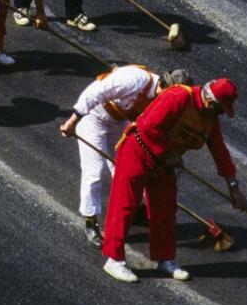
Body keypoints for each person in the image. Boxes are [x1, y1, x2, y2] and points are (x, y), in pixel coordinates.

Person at [100, 78, 247, 283]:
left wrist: (233, 187)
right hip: (138, 151)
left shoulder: (210, 118)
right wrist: (168, 153)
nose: (219, 114)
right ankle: (114, 259)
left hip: (166, 163)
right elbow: (148, 126)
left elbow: (219, 151)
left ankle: (165, 258)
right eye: (219, 109)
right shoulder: (178, 97)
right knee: (125, 205)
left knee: (165, 209)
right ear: (209, 100)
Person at [59, 66, 193, 248]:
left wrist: (173, 154)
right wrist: (73, 121)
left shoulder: (166, 101)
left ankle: (135, 211)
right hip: (94, 117)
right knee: (94, 172)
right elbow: (94, 93)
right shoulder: (134, 79)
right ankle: (92, 223)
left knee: (128, 170)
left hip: (120, 121)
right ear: (164, 85)